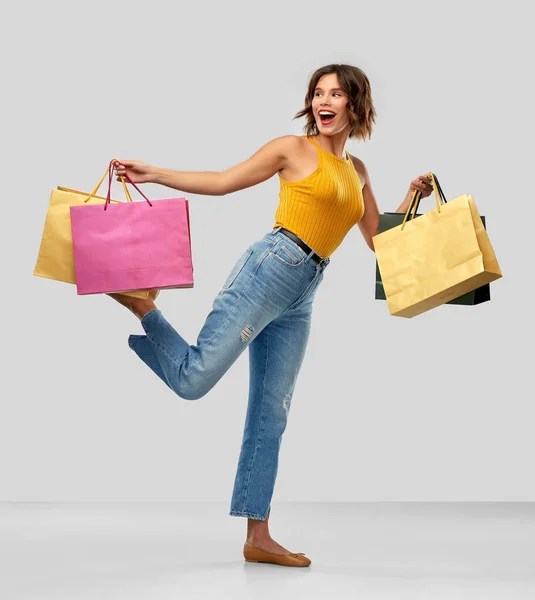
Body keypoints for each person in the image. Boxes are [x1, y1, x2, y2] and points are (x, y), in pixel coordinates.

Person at [109, 64, 434, 567]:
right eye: (319, 93)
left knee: (272, 412)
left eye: (338, 94)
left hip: (305, 291)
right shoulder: (292, 149)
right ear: (312, 103)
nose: (325, 101)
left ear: (355, 105)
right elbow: (222, 181)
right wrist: (155, 173)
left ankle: (257, 535)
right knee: (194, 380)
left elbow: (379, 243)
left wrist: (412, 197)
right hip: (271, 267)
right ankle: (144, 306)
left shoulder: (358, 171)